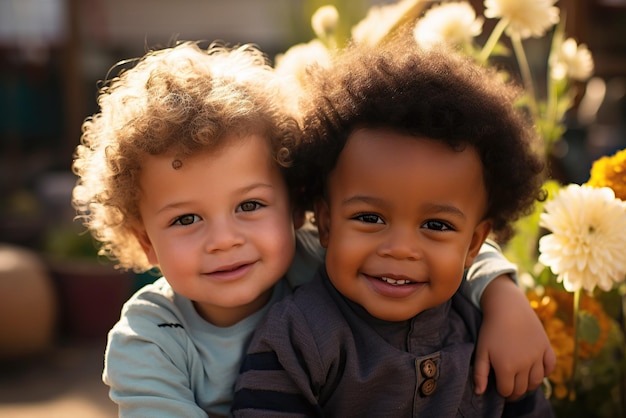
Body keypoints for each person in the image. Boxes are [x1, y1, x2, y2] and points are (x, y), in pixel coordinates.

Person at [71, 41, 552, 418]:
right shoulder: (149, 341)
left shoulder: (325, 254)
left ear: (298, 206)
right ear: (144, 241)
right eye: (186, 219)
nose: (224, 239)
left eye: (250, 205)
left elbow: (448, 246)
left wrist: (504, 300)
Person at [232, 39, 554, 417]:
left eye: (436, 225)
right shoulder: (298, 338)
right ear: (326, 223)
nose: (400, 248)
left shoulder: (492, 334)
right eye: (370, 218)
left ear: (474, 245)